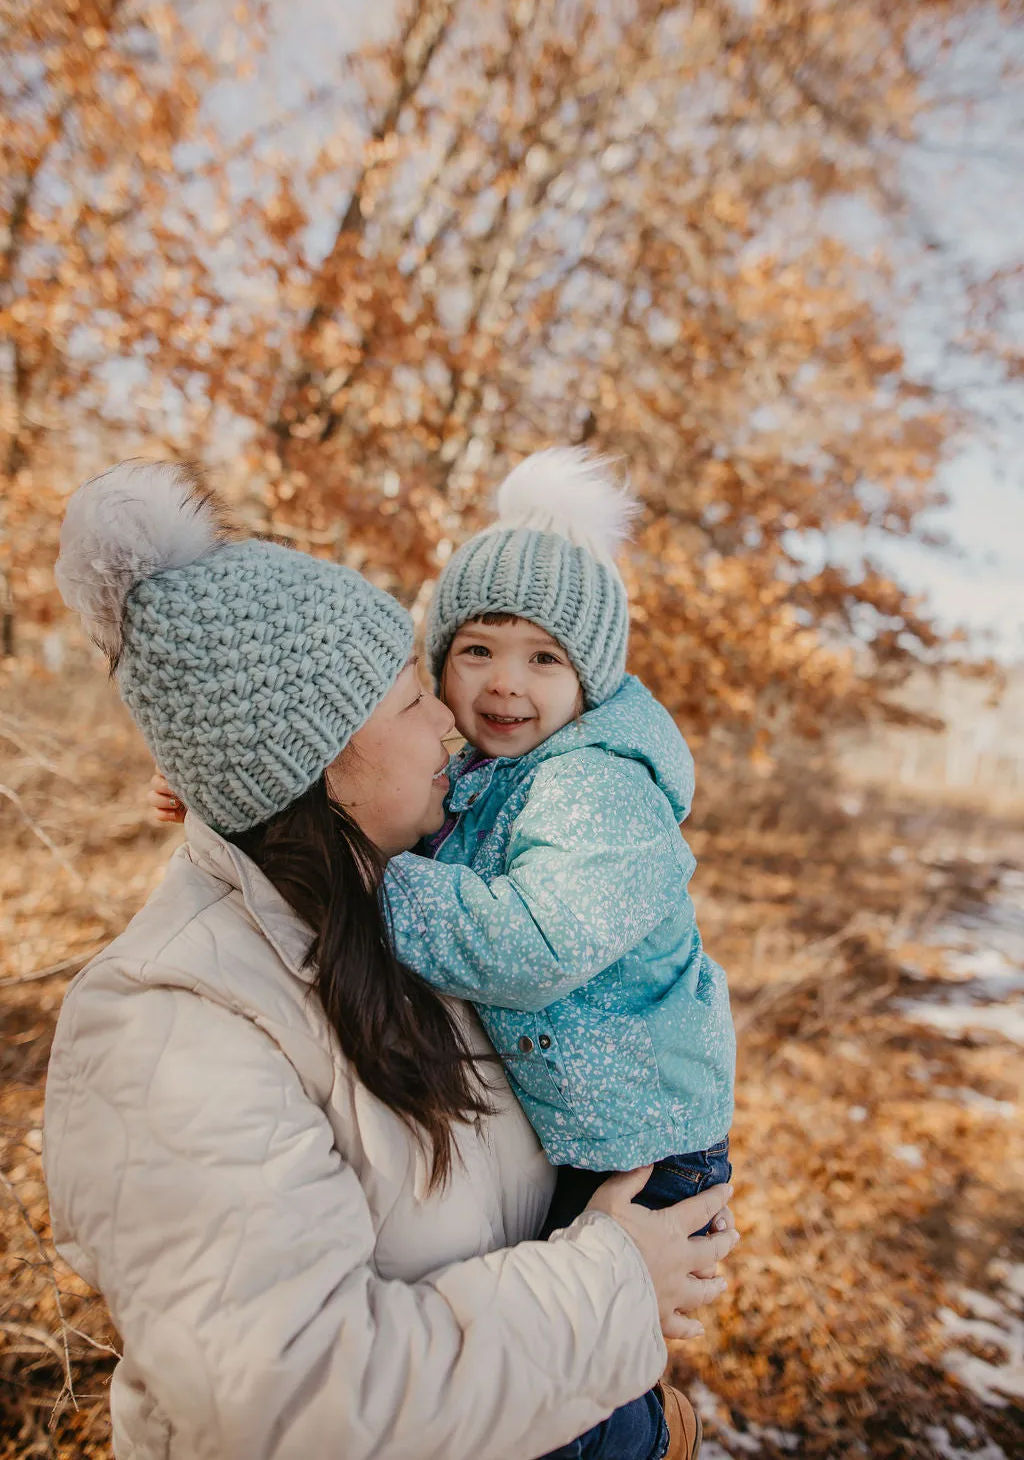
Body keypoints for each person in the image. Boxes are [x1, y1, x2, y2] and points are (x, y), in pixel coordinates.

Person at [48, 460, 739, 1460]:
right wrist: (612, 1289)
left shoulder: (396, 891)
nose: (456, 721)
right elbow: (298, 1400)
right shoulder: (170, 1027)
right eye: (421, 693)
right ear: (321, 760)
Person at [374, 447, 735, 1239]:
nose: (506, 682)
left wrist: (369, 876)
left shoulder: (597, 784)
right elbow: (367, 785)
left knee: (593, 1345)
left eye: (544, 658)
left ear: (588, 682)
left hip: (642, 1151)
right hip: (567, 1125)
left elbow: (533, 945)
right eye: (478, 650)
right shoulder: (483, 763)